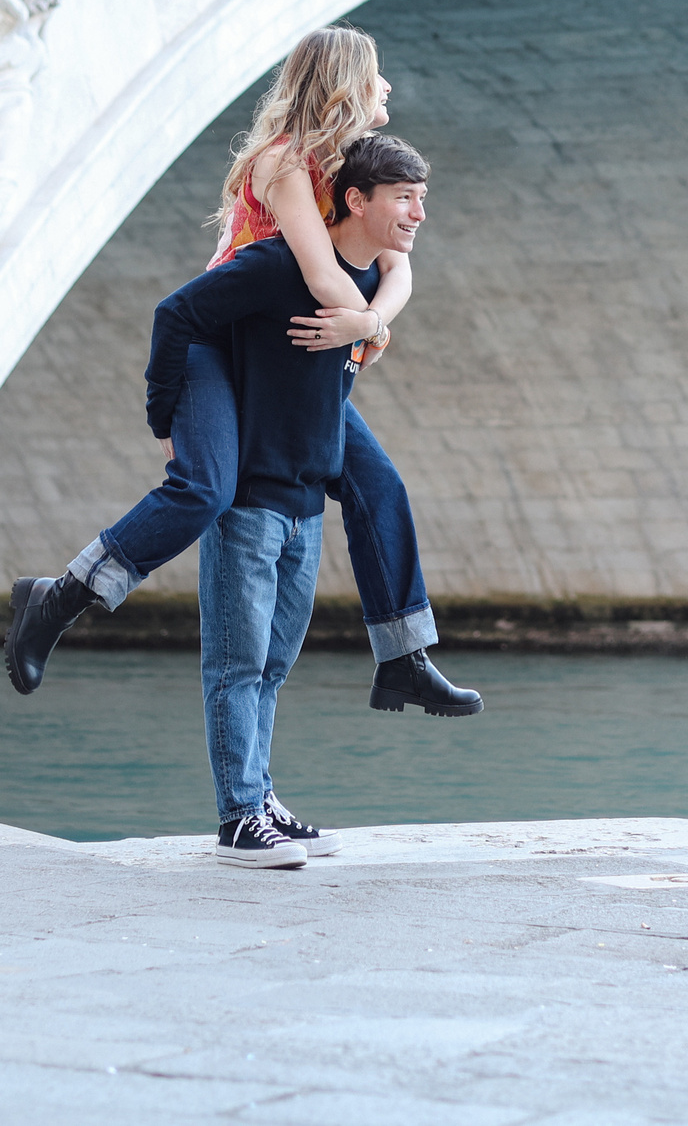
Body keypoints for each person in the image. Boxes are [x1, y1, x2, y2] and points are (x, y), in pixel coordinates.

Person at [4, 28, 480, 719]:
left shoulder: (354, 165)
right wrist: (370, 325)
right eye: (376, 76)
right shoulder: (285, 163)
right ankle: (62, 595)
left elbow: (396, 264)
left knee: (378, 483)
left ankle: (404, 658)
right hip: (219, 341)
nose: (388, 88)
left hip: (282, 357)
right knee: (204, 488)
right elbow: (319, 273)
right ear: (345, 82)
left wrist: (370, 321)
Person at [150, 134, 433, 866]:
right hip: (249, 501)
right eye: (404, 198)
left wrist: (368, 322)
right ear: (352, 200)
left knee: (271, 664)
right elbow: (177, 314)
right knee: (237, 665)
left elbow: (395, 274)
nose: (417, 214)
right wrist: (169, 423)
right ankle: (238, 816)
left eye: (419, 197)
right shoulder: (278, 259)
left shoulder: (365, 280)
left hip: (304, 506)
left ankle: (261, 793)